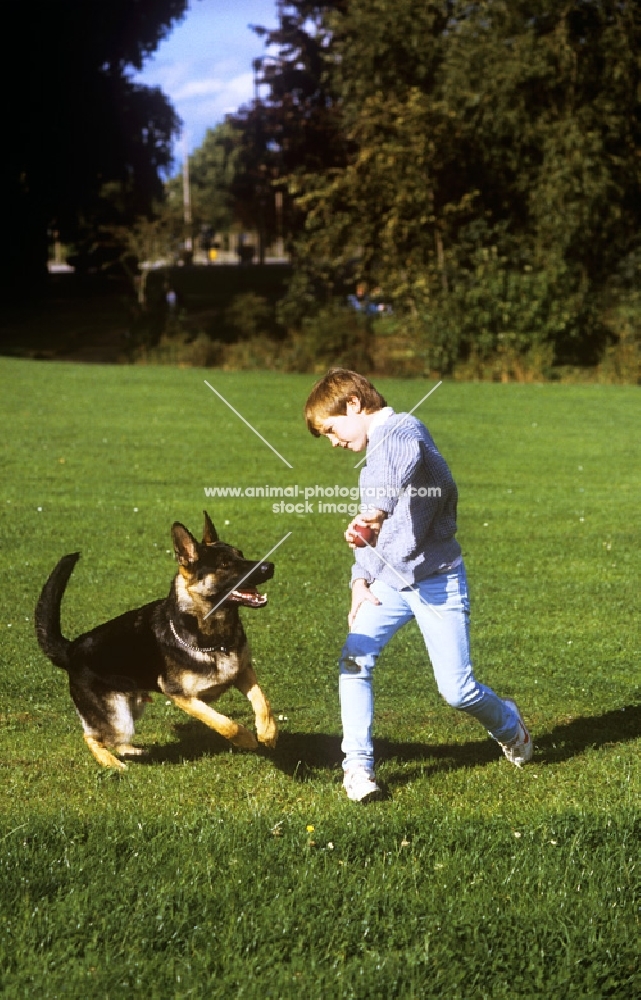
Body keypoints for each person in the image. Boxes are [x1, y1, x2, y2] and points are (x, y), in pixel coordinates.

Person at [305, 368, 532, 802]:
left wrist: (372, 510)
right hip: (387, 583)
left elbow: (390, 472)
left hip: (437, 579)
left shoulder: (403, 431)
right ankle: (357, 766)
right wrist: (359, 578)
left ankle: (508, 724)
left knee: (458, 691)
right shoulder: (373, 455)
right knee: (354, 662)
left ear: (353, 404)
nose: (332, 442)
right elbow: (374, 530)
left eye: (331, 429)